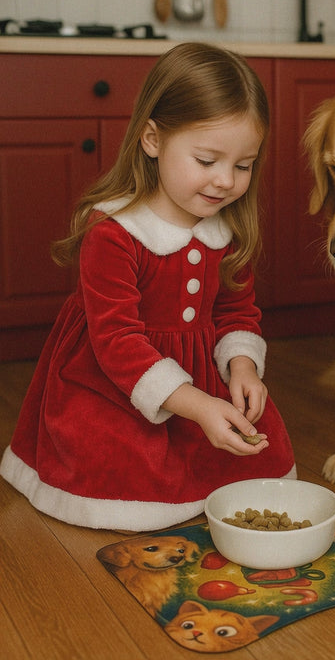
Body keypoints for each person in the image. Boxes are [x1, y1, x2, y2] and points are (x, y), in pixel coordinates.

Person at [0, 42, 295, 531]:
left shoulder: (226, 228)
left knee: (252, 452)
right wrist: (198, 405)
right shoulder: (114, 232)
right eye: (206, 160)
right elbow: (117, 342)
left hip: (199, 382)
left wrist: (242, 366)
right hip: (113, 381)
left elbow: (237, 313)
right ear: (152, 139)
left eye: (243, 166)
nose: (226, 181)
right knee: (114, 461)